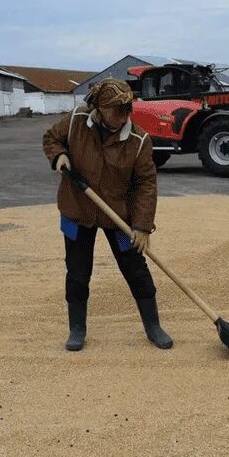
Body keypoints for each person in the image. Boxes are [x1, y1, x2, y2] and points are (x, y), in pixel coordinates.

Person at [42, 78, 173, 351]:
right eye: (118, 111)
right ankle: (77, 328)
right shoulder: (77, 120)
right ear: (99, 109)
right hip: (78, 209)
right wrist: (59, 157)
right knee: (77, 273)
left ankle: (153, 326)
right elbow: (52, 138)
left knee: (136, 270)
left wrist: (142, 226)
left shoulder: (138, 141)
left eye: (128, 110)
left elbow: (146, 184)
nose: (125, 117)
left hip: (119, 216)